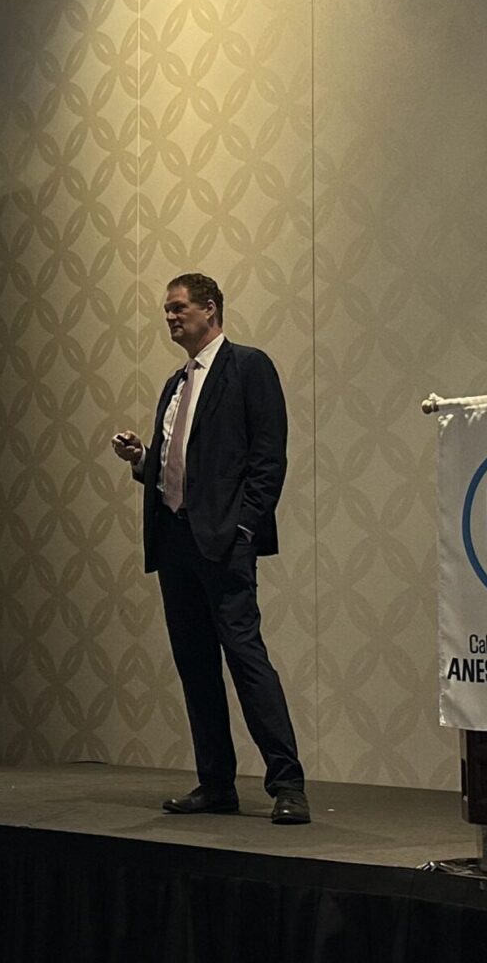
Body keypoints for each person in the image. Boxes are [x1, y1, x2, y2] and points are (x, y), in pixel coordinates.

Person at [111, 273, 309, 825]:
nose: (170, 317)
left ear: (211, 309)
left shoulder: (248, 367)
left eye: (179, 308)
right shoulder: (174, 384)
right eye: (167, 310)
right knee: (195, 666)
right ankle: (216, 782)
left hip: (224, 543)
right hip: (175, 541)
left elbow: (268, 457)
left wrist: (244, 528)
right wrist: (140, 458)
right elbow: (179, 465)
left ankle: (288, 784)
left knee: (246, 659)